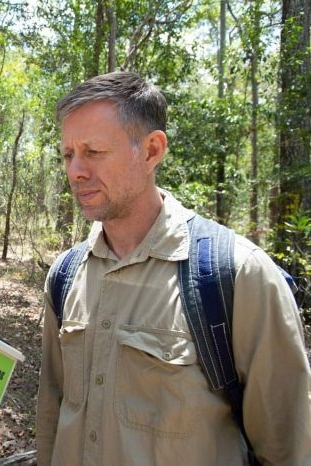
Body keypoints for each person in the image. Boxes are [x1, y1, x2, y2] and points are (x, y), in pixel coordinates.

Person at [36, 71, 311, 465]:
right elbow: (52, 415)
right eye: (68, 154)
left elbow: (289, 449)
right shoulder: (65, 276)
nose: (75, 171)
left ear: (151, 151)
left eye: (93, 152)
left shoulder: (238, 276)